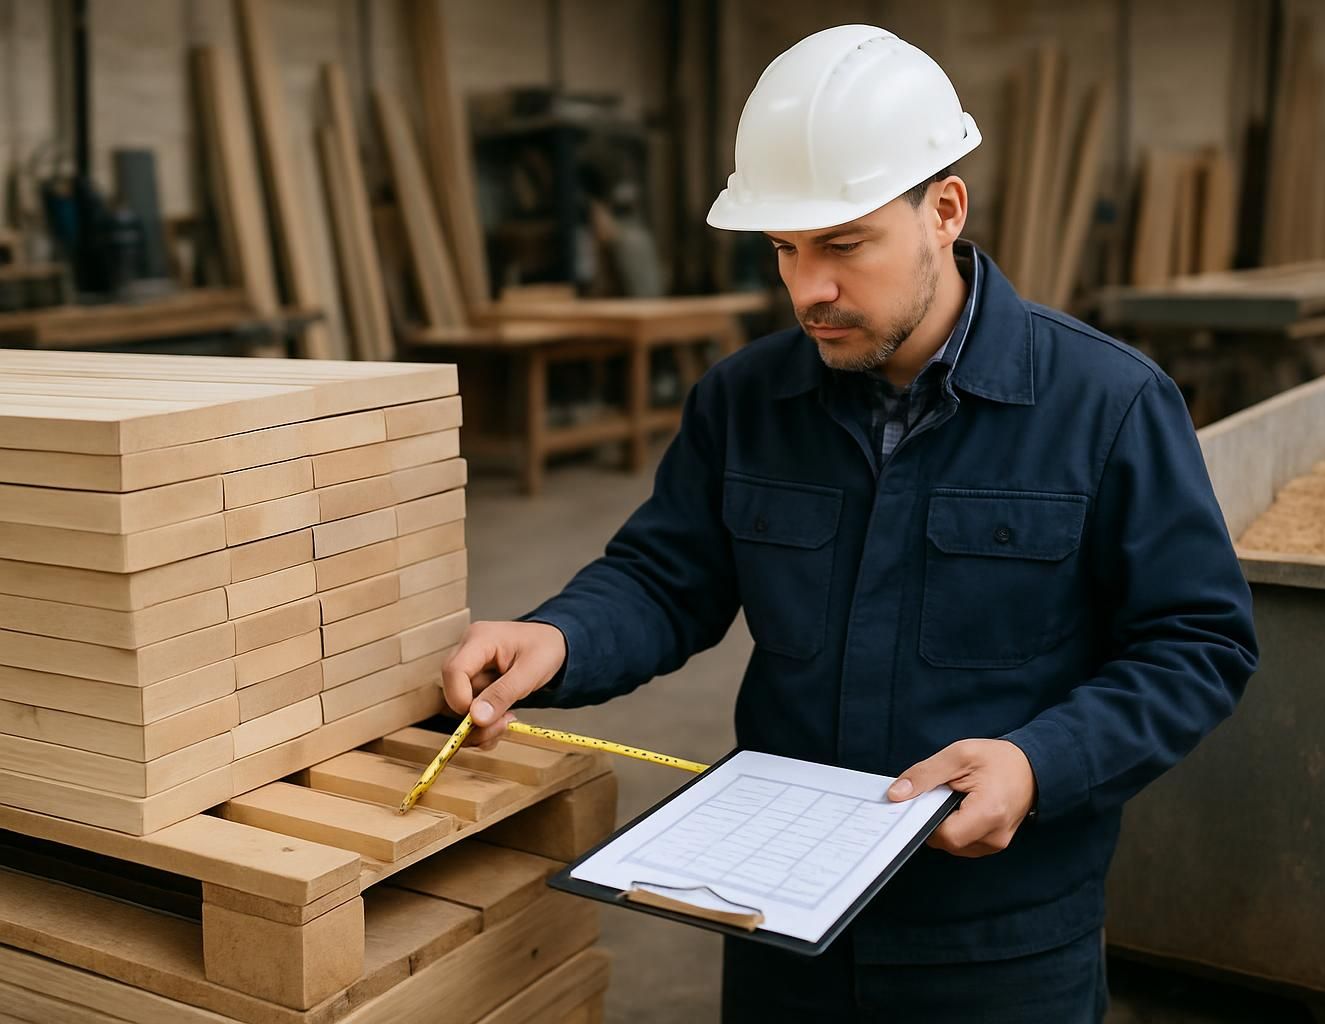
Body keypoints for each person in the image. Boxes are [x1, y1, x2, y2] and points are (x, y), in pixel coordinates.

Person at [442, 24, 1259, 1024]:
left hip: (1000, 946)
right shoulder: (745, 400)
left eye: (843, 243)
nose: (806, 288)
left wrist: (1039, 762)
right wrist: (560, 635)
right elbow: (667, 577)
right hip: (780, 930)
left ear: (943, 211)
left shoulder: (1106, 405)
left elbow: (1197, 642)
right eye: (783, 248)